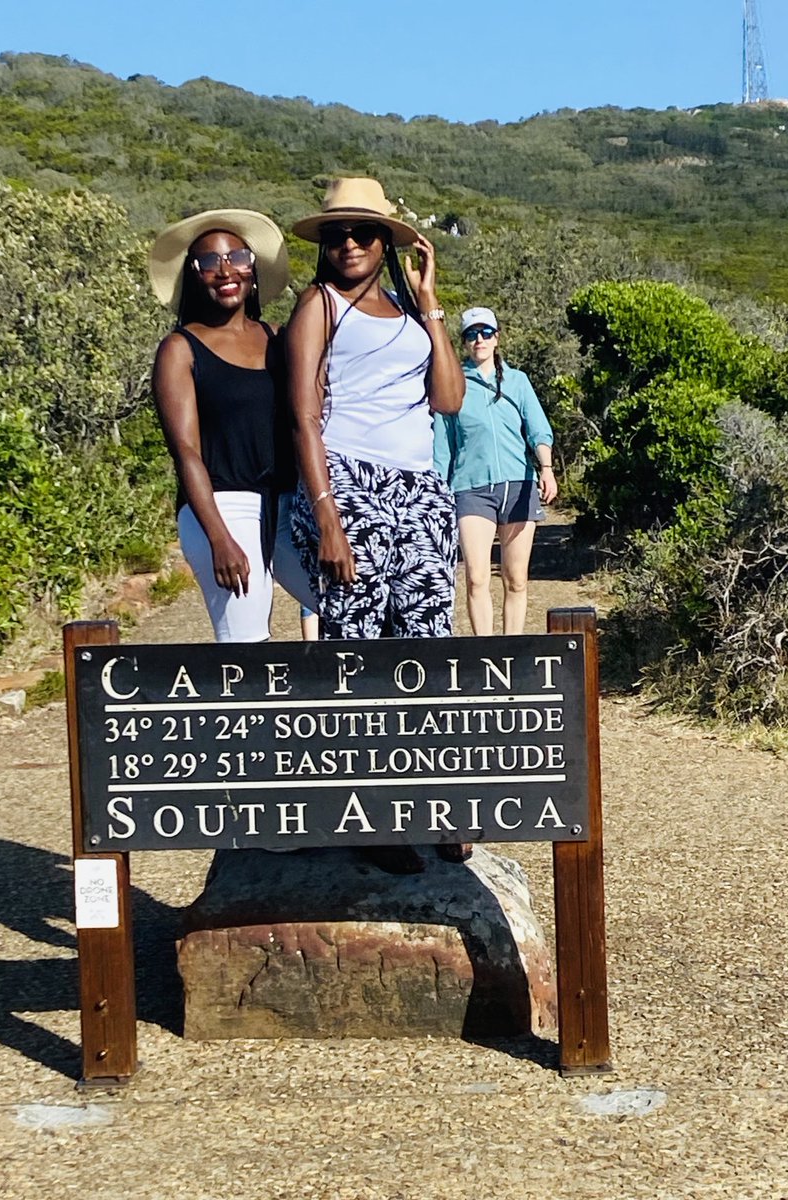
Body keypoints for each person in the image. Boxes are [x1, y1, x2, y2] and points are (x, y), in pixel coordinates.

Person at [286, 178, 467, 871]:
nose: (350, 245)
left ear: (386, 241)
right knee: (356, 650)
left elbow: (447, 399)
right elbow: (303, 415)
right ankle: (369, 816)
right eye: (337, 235)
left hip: (418, 486)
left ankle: (430, 805)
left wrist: (430, 304)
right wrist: (327, 515)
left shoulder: (408, 310)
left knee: (423, 647)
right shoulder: (318, 306)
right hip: (350, 482)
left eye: (364, 233)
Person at [148, 208, 314, 643]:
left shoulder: (279, 337)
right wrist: (218, 535)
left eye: (237, 257)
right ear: (193, 273)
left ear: (253, 268)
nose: (225, 271)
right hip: (224, 507)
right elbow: (185, 451)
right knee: (246, 645)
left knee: (349, 605)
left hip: (285, 507)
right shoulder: (180, 349)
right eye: (209, 261)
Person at [434, 307, 558, 636]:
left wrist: (546, 468)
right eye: (472, 334)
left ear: (497, 338)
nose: (479, 340)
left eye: (486, 333)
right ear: (463, 342)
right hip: (470, 488)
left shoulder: (517, 381)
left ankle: (511, 651)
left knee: (515, 578)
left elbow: (538, 430)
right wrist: (437, 491)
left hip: (519, 485)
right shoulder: (453, 384)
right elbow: (442, 446)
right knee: (476, 577)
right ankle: (485, 652)